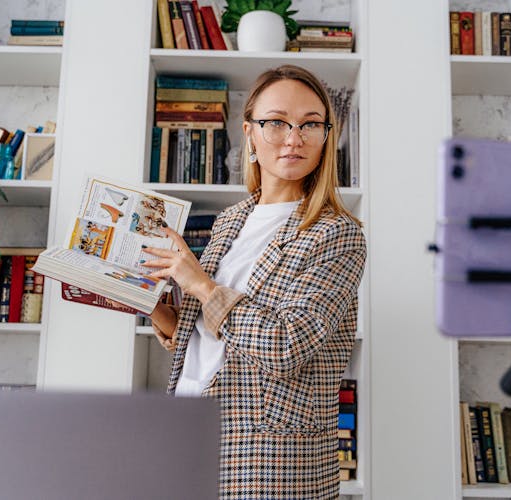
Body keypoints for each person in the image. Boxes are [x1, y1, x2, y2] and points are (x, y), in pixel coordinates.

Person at [142, 64, 367, 499]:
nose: (293, 137)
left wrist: (202, 285)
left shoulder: (336, 233)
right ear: (249, 132)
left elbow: (286, 345)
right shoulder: (229, 222)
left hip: (271, 459)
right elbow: (208, 338)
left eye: (310, 125)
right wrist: (151, 303)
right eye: (277, 122)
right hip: (188, 427)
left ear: (326, 137)